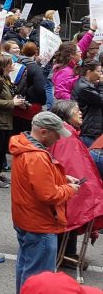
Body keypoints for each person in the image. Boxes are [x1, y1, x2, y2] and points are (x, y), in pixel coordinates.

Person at [9, 111, 80, 292]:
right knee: (39, 278)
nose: (58, 138)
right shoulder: (37, 156)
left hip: (27, 219)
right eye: (56, 134)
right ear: (43, 132)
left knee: (26, 269)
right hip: (40, 223)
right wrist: (69, 189)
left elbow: (38, 183)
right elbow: (48, 195)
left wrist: (63, 179)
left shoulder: (25, 147)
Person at [48, 99, 103, 270]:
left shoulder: (68, 133)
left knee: (69, 216)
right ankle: (61, 254)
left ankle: (67, 253)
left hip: (67, 188)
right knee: (69, 213)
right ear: (66, 115)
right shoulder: (65, 136)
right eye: (76, 110)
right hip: (65, 189)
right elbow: (70, 166)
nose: (80, 113)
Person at [0, 55, 25, 176]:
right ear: (5, 65)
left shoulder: (6, 78)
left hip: (7, 120)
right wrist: (12, 103)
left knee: (2, 151)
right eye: (11, 63)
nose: (13, 65)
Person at [71, 59, 103, 146]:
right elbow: (100, 100)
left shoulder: (87, 84)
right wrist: (101, 84)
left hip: (92, 128)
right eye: (99, 71)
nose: (101, 74)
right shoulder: (84, 87)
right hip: (89, 130)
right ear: (89, 72)